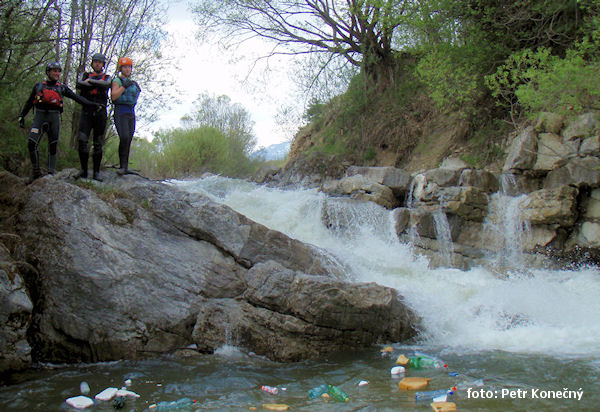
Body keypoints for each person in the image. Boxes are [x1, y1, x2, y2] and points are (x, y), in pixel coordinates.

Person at [18, 61, 101, 182]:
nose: (57, 73)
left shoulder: (62, 88)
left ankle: (51, 173)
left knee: (53, 145)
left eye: (58, 71)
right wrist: (22, 116)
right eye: (54, 71)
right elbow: (29, 102)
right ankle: (36, 171)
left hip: (54, 119)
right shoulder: (38, 86)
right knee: (31, 143)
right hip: (39, 118)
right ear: (48, 72)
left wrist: (92, 105)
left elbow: (77, 98)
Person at [76, 53, 112, 181]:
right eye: (96, 62)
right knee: (82, 140)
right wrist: (96, 83)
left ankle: (96, 172)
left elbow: (106, 85)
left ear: (103, 64)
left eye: (100, 62)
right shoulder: (84, 75)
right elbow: (79, 84)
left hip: (100, 112)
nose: (97, 64)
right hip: (87, 111)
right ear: (92, 63)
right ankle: (84, 171)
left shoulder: (107, 77)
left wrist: (90, 82)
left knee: (98, 143)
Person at [111, 57, 141, 175]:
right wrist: (124, 87)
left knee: (128, 138)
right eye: (125, 67)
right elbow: (114, 96)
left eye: (129, 67)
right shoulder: (117, 81)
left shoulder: (133, 83)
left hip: (130, 112)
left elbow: (136, 96)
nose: (127, 69)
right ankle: (122, 166)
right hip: (120, 111)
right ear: (120, 68)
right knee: (123, 137)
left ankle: (125, 166)